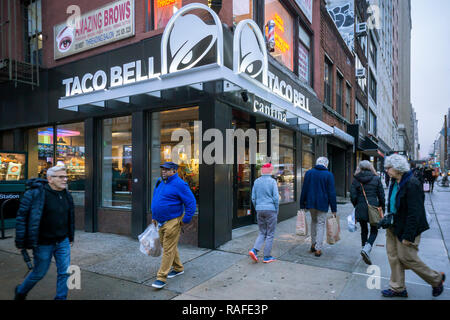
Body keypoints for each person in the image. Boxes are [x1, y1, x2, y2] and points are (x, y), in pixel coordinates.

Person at [380, 154, 445, 298]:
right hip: (393, 225)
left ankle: (436, 279)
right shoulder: (395, 182)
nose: (386, 170)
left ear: (398, 168)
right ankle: (398, 288)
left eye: (388, 168)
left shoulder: (412, 184)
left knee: (407, 258)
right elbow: (393, 203)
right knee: (393, 257)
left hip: (407, 228)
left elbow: (415, 213)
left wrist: (408, 236)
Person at [14, 166, 75, 300]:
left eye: (66, 177)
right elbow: (21, 217)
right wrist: (20, 241)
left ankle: (61, 297)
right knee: (39, 273)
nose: (65, 180)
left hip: (62, 241)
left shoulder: (66, 194)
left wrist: (70, 237)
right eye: (61, 177)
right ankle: (21, 292)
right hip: (43, 243)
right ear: (50, 179)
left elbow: (70, 217)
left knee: (65, 272)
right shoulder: (35, 194)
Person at [150, 162, 197, 289]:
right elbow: (156, 197)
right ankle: (178, 268)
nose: (163, 172)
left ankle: (161, 277)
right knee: (168, 246)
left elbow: (191, 203)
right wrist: (154, 215)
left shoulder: (180, 184)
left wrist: (185, 220)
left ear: (174, 171)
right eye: (162, 169)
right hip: (160, 221)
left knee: (168, 249)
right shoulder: (160, 181)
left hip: (173, 221)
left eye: (167, 170)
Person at [299, 157, 337, 257]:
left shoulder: (309, 173)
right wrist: (334, 209)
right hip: (323, 203)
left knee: (313, 222)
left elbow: (304, 189)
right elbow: (332, 193)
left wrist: (302, 203)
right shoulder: (329, 175)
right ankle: (318, 249)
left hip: (310, 203)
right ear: (326, 164)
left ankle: (313, 244)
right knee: (320, 224)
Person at [350, 160, 385, 265]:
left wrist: (357, 205)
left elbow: (353, 196)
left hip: (361, 207)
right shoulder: (376, 178)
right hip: (374, 207)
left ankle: (364, 249)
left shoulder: (356, 179)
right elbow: (381, 195)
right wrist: (382, 207)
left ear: (359, 168)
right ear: (370, 167)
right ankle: (367, 248)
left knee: (364, 229)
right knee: (374, 230)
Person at [248, 163, 279, 264]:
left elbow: (253, 197)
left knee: (262, 232)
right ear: (270, 171)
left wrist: (257, 207)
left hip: (259, 209)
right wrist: (276, 210)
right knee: (270, 234)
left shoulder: (256, 181)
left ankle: (254, 250)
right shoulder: (272, 181)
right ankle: (267, 256)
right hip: (271, 210)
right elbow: (275, 198)